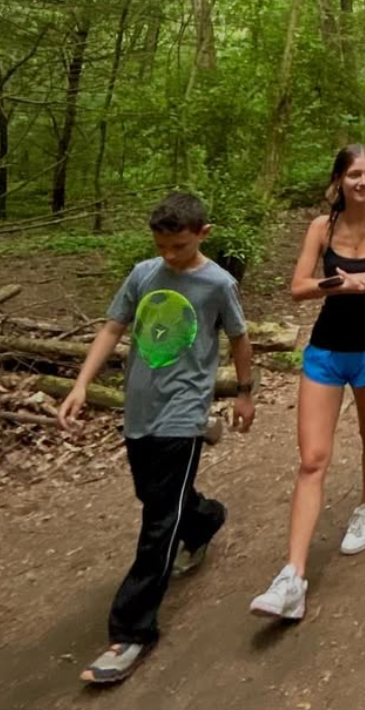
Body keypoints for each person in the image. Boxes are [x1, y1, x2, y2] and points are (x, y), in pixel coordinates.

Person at [57, 191, 255, 685]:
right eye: (161, 245)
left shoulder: (218, 283)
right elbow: (112, 328)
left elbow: (239, 338)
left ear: (203, 234)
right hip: (140, 408)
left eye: (179, 246)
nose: (169, 255)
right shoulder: (144, 274)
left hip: (184, 414)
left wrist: (244, 393)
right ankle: (206, 519)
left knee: (158, 523)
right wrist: (81, 384)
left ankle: (132, 631)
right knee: (155, 496)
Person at [250, 143, 365, 621]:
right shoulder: (322, 227)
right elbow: (298, 288)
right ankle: (292, 577)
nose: (363, 182)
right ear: (338, 179)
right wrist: (341, 284)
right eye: (354, 174)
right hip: (325, 353)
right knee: (312, 460)